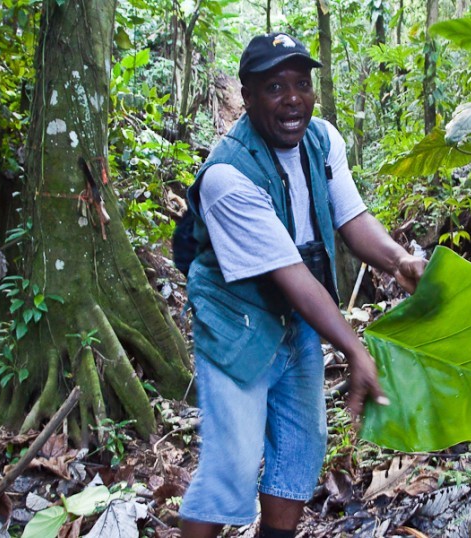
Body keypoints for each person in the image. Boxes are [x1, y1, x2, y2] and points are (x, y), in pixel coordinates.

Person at [179, 32, 427, 538]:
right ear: (246, 99)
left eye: (301, 83)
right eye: (274, 86)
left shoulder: (322, 140)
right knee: (234, 464)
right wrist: (356, 350)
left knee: (300, 449)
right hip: (237, 326)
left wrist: (398, 259)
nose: (293, 97)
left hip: (299, 323)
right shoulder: (227, 176)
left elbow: (351, 217)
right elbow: (290, 275)